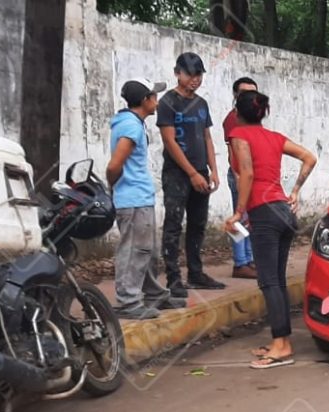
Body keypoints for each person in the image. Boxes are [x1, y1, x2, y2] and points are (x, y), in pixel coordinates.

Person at [224, 90, 317, 369]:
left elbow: (248, 173)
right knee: (276, 279)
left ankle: (281, 345)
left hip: (264, 214)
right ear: (263, 113)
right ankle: (281, 339)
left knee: (268, 281)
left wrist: (239, 211)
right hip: (284, 212)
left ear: (237, 113)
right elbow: (309, 157)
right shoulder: (275, 137)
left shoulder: (239, 135)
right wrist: (296, 191)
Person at [106, 79, 187, 320]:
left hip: (138, 197)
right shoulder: (131, 126)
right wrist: (115, 185)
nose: (157, 101)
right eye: (154, 97)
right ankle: (128, 301)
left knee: (147, 250)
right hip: (133, 199)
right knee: (135, 250)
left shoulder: (132, 123)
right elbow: (114, 165)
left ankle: (153, 294)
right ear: (144, 101)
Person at [158, 52, 225, 298]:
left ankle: (196, 273)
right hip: (177, 174)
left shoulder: (202, 104)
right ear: (178, 73)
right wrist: (191, 173)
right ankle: (173, 278)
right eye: (189, 74)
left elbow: (207, 137)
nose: (195, 79)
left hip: (201, 173)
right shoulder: (167, 102)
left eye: (199, 74)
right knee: (173, 224)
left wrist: (213, 171)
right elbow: (169, 141)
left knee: (198, 224)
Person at [223, 76, 258, 279]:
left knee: (248, 218)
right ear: (236, 95)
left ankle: (248, 259)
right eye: (245, 93)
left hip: (249, 173)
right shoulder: (232, 119)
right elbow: (232, 152)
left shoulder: (249, 118)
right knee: (239, 218)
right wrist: (237, 175)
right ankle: (240, 262)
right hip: (239, 173)